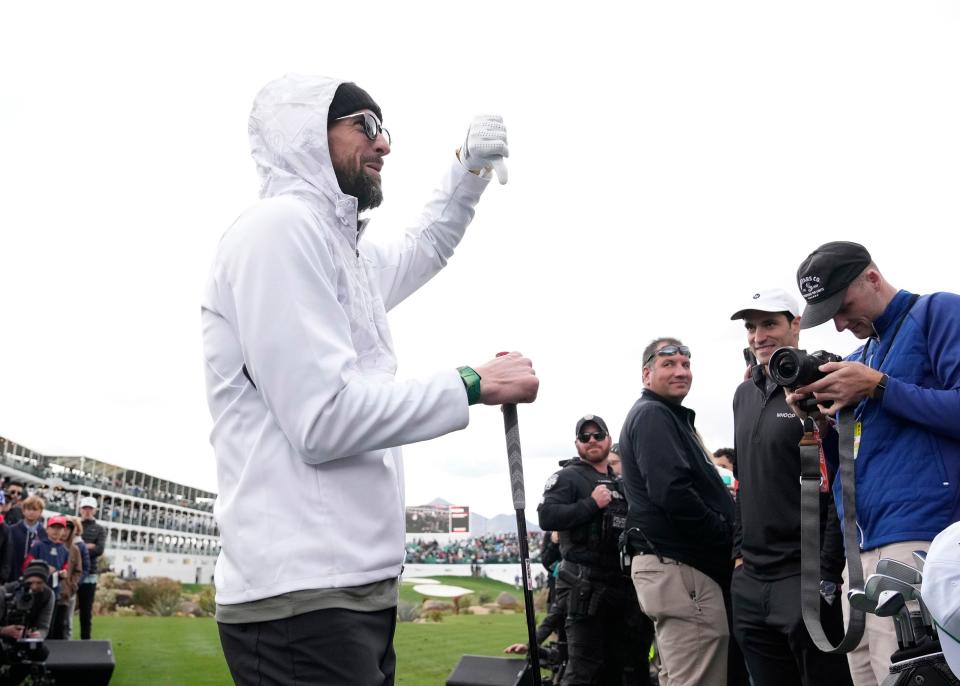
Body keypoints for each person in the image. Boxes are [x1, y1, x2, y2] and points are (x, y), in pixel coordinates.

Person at [203, 74, 538, 685]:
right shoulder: (278, 231)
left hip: (349, 589)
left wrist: (468, 170)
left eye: (385, 127)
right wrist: (471, 383)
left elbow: (426, 245)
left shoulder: (340, 250)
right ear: (307, 135)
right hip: (300, 597)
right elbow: (323, 420)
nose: (385, 145)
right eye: (366, 125)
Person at [789, 241, 960, 686]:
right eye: (830, 318)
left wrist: (881, 386)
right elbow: (849, 464)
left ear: (872, 277)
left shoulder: (936, 312)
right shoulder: (858, 360)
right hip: (859, 551)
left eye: (842, 307)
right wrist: (822, 427)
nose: (842, 325)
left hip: (921, 537)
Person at [728, 289, 852, 686]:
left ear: (795, 324)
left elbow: (840, 478)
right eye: (751, 326)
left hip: (805, 573)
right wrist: (738, 556)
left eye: (769, 324)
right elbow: (744, 482)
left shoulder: (822, 381)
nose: (757, 336)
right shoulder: (743, 394)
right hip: (751, 581)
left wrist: (828, 570)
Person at [619, 338, 738, 686]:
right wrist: (724, 536)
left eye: (686, 365)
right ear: (647, 373)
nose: (681, 372)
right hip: (680, 567)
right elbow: (672, 492)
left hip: (674, 568)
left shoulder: (666, 415)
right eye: (669, 365)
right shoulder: (653, 414)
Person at [538, 415, 652, 685]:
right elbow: (547, 516)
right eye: (585, 436)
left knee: (615, 668)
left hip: (620, 587)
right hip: (584, 586)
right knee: (582, 669)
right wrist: (590, 504)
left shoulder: (621, 483)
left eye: (598, 435)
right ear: (577, 443)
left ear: (608, 440)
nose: (592, 440)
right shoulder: (567, 477)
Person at [77, 496, 105, 641]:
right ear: (80, 509)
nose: (87, 511)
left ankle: (85, 641)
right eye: (84, 508)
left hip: (90, 574)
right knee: (64, 609)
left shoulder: (99, 529)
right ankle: (61, 640)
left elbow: (99, 550)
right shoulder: (75, 525)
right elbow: (69, 546)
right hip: (71, 573)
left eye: (90, 508)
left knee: (86, 611)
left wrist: (79, 547)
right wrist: (87, 546)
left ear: (94, 510)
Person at [8, 496, 47, 581]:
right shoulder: (12, 530)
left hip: (34, 577)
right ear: (23, 511)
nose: (31, 512)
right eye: (29, 509)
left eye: (35, 509)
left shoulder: (44, 534)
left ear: (40, 512)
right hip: (12, 575)